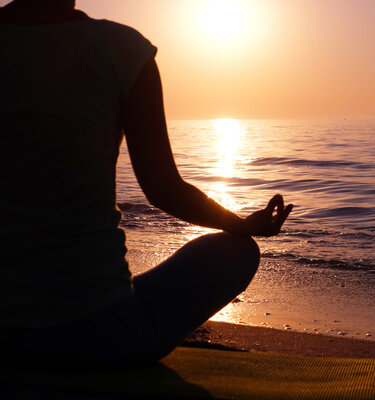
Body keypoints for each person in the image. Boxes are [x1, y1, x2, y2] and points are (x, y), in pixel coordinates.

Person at [0, 0, 292, 366]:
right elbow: (163, 189)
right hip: (99, 334)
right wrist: (241, 224)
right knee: (237, 252)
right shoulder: (119, 48)